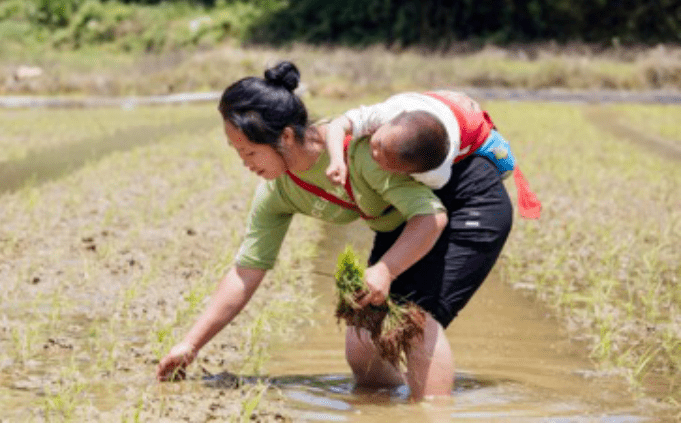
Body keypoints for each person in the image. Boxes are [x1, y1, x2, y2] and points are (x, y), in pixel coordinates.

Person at [156, 61, 513, 401]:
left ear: (286, 136)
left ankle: (434, 411)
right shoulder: (278, 190)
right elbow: (246, 271)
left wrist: (385, 270)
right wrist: (191, 344)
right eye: (238, 153)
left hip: (466, 204)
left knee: (415, 321)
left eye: (250, 152)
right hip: (406, 218)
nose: (245, 164)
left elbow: (430, 218)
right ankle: (391, 410)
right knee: (362, 341)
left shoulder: (364, 152)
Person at [324, 90, 541, 219]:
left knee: (505, 165)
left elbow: (436, 186)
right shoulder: (385, 113)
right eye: (378, 141)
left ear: (409, 172)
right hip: (438, 100)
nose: (372, 150)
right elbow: (338, 124)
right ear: (390, 123)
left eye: (385, 160)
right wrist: (336, 160)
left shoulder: (435, 173)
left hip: (471, 128)